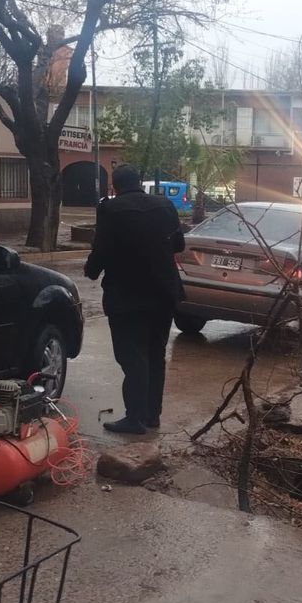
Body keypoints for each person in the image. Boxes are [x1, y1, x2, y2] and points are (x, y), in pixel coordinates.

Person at [85, 166, 185, 435]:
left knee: (132, 356)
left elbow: (101, 250)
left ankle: (135, 417)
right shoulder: (164, 205)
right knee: (155, 353)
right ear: (140, 183)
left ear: (114, 186)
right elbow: (179, 245)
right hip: (164, 294)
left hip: (127, 297)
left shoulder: (110, 210)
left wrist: (91, 270)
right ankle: (152, 415)